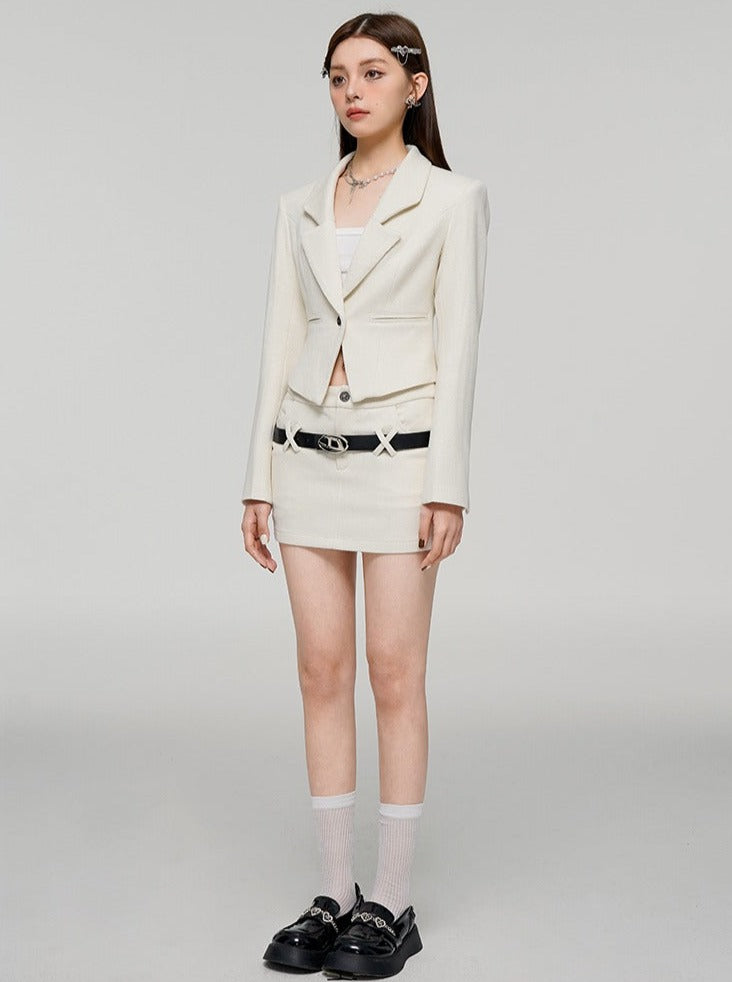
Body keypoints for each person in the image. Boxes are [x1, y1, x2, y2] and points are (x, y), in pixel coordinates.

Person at [240, 12, 490, 979]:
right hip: (305, 457)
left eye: (374, 72)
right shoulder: (299, 205)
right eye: (339, 75)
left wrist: (447, 487)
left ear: (415, 86)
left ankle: (391, 900)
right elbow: (278, 339)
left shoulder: (452, 200)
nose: (353, 90)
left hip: (401, 464)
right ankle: (334, 892)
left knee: (394, 672)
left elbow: (459, 345)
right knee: (319, 670)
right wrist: (257, 478)